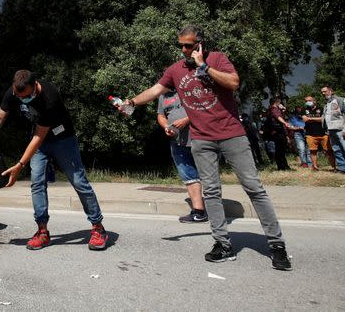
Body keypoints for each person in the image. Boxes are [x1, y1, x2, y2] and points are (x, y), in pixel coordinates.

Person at [118, 25, 291, 270]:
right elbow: (156, 90)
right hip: (201, 138)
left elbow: (233, 82)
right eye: (181, 45)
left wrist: (204, 67)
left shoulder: (217, 58)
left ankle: (276, 245)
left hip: (232, 134)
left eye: (188, 45)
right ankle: (223, 244)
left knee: (254, 187)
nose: (184, 50)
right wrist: (131, 102)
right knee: (211, 191)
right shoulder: (175, 70)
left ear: (200, 43)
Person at [0, 69, 109, 251]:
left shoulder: (49, 98)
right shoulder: (15, 91)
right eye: (18, 96)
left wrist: (19, 165)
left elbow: (38, 137)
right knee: (37, 182)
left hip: (63, 139)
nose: (21, 100)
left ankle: (98, 228)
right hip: (40, 140)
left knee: (78, 181)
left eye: (26, 97)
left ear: (35, 87)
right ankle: (42, 231)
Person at [156, 89, 207, 223]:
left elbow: (204, 107)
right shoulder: (163, 96)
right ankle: (199, 212)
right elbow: (161, 115)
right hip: (177, 141)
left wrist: (187, 120)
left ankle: (215, 212)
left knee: (208, 175)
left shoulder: (190, 88)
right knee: (189, 176)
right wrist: (166, 126)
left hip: (199, 138)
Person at [301, 93, 335, 171]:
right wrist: (316, 118)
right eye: (306, 101)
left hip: (323, 134)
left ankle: (334, 167)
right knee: (313, 151)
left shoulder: (321, 109)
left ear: (314, 101)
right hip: (310, 134)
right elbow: (304, 119)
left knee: (329, 151)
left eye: (309, 100)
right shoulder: (304, 109)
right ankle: (315, 167)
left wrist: (310, 119)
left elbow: (323, 119)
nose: (307, 102)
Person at [321, 86, 345, 174]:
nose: (323, 93)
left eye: (325, 91)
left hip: (340, 129)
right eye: (322, 92)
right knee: (337, 149)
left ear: (331, 91)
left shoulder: (340, 100)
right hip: (331, 130)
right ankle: (342, 168)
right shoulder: (326, 103)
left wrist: (344, 129)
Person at [265, 98, 291, 170]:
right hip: (278, 131)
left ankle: (283, 166)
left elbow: (279, 116)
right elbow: (278, 117)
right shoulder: (274, 109)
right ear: (276, 103)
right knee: (281, 149)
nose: (280, 104)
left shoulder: (270, 110)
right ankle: (282, 166)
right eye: (279, 103)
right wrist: (285, 123)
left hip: (275, 132)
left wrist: (283, 111)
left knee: (279, 149)